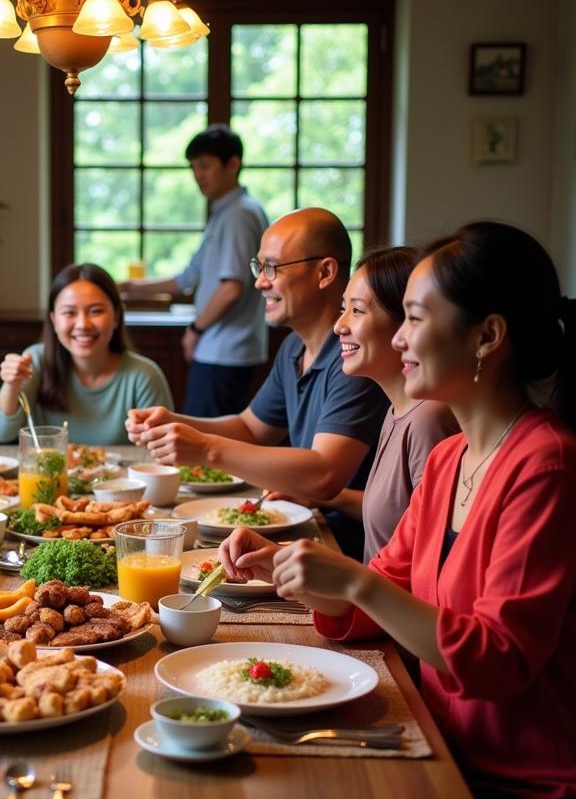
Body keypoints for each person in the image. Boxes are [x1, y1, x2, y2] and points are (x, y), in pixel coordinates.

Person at [212, 221, 576, 799]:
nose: (399, 338)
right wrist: (294, 576)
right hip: (435, 746)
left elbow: (498, 659)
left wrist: (355, 585)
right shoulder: (448, 463)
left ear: (486, 336)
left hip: (518, 793)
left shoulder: (546, 467)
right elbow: (382, 589)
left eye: (413, 318)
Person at [127, 208, 388, 559]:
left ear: (325, 272)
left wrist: (205, 448)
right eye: (258, 267)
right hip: (307, 530)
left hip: (349, 550)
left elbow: (324, 473)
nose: (259, 282)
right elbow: (251, 429)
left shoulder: (354, 356)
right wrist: (174, 422)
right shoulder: (295, 346)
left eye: (272, 268)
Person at [224, 246, 458, 572]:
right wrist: (324, 498)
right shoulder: (397, 412)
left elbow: (425, 566)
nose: (339, 327)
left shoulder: (427, 419)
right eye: (343, 309)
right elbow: (401, 515)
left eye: (357, 311)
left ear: (406, 323)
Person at [120, 124, 268, 416]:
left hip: (226, 351)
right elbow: (186, 279)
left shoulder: (239, 214)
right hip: (219, 350)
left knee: (207, 445)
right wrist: (129, 288)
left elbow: (231, 288)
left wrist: (195, 329)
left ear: (233, 164)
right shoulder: (224, 212)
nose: (198, 176)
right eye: (193, 168)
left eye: (205, 166)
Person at [0, 262, 172, 445]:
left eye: (96, 311)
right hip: (47, 473)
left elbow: (162, 449)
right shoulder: (35, 361)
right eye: (69, 312)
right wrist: (11, 385)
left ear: (116, 316)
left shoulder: (144, 374)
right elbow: (1, 433)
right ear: (53, 319)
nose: (83, 324)